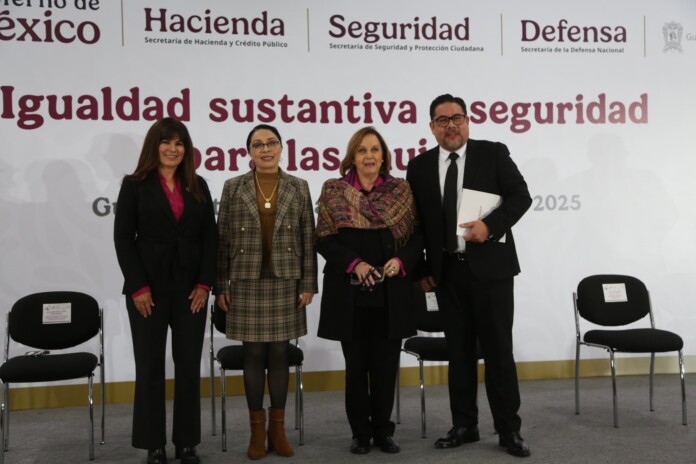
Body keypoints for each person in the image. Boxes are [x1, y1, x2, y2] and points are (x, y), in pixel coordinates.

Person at [405, 94, 533, 457]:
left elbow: (520, 197)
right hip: (448, 275)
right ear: (432, 127)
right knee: (458, 354)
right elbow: (416, 225)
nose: (451, 125)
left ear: (468, 121)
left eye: (457, 117)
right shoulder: (419, 167)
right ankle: (464, 424)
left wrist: (489, 226)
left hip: (491, 274)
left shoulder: (493, 153)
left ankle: (508, 429)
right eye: (442, 120)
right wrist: (421, 268)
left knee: (498, 353)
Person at [114, 118, 217, 464]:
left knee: (188, 366)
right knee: (150, 367)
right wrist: (138, 287)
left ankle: (186, 443)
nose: (173, 149)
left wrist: (205, 283)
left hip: (191, 292)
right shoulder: (135, 185)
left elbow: (210, 240)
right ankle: (153, 444)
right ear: (154, 145)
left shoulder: (198, 184)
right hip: (149, 292)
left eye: (179, 143)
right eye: (166, 141)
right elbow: (123, 238)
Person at [315, 126, 422, 455]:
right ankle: (360, 432)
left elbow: (417, 238)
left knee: (386, 366)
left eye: (375, 149)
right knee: (356, 366)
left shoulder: (400, 191)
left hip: (391, 293)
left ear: (384, 156)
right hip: (350, 293)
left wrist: (398, 263)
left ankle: (383, 430)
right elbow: (324, 239)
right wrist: (355, 264)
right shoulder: (334, 192)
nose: (369, 156)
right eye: (362, 150)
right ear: (352, 157)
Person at [215, 124, 318, 460]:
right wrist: (220, 285)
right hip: (246, 282)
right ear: (249, 152)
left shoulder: (299, 186)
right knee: (253, 355)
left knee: (279, 354)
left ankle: (278, 428)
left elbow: (308, 238)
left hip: (286, 282)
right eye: (257, 144)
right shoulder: (233, 187)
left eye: (271, 142)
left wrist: (308, 283)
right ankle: (257, 431)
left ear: (281, 147)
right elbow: (223, 240)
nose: (265, 149)